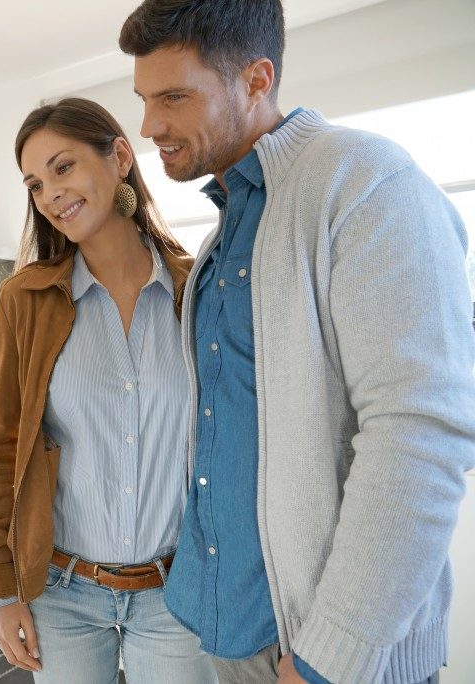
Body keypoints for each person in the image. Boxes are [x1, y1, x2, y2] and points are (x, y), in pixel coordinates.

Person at [117, 2, 475, 682]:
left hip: (324, 660)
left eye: (173, 97)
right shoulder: (226, 235)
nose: (149, 126)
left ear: (256, 80)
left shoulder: (367, 182)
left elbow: (420, 435)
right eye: (144, 99)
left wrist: (326, 660)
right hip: (232, 634)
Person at [0, 97, 216, 683]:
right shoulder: (24, 299)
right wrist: (1, 589)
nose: (50, 194)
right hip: (61, 592)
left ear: (120, 158)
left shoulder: (199, 289)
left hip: (177, 591)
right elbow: (4, 447)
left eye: (63, 167)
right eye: (35, 184)